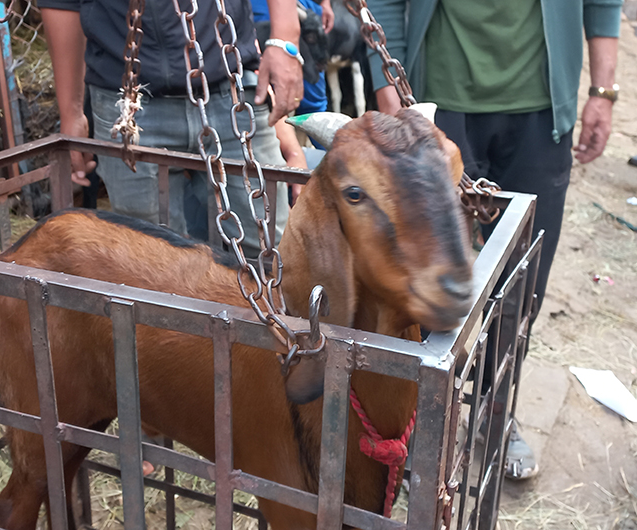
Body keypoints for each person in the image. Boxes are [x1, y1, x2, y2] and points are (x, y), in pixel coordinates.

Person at [366, 0, 623, 480]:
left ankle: (493, 408)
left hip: (539, 110)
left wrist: (602, 91)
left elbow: (603, 4)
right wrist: (391, 94)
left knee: (524, 279)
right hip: (440, 105)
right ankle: (420, 418)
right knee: (423, 277)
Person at [38, 0, 304, 256]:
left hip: (230, 85)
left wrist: (285, 40)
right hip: (128, 99)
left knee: (269, 249)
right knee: (150, 262)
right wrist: (71, 112)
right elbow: (62, 3)